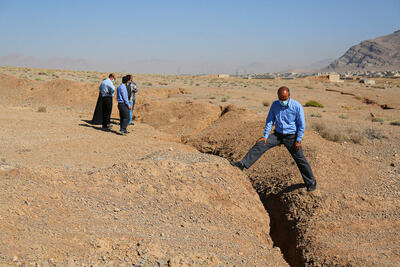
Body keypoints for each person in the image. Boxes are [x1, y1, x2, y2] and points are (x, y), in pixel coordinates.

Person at [231, 86, 317, 192]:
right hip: (278, 135)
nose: (282, 101)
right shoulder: (275, 104)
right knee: (261, 144)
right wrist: (265, 136)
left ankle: (311, 182)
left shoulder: (297, 106)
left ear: (289, 96)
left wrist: (298, 140)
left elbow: (301, 125)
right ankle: (242, 164)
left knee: (300, 158)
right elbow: (270, 121)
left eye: (284, 98)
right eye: (280, 98)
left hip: (291, 136)